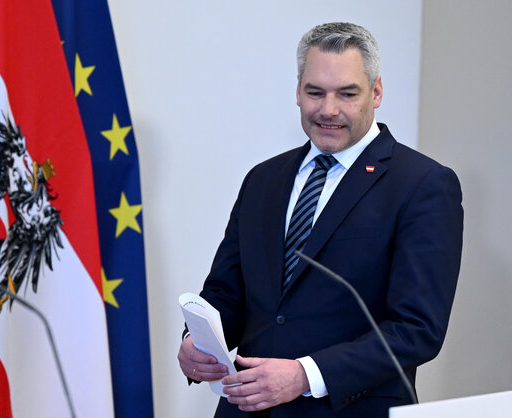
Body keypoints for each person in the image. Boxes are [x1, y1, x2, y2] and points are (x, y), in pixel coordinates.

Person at [177, 22, 463, 417]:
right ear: (297, 91)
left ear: (376, 92)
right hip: (246, 409)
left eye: (347, 93)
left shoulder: (423, 184)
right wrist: (198, 342)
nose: (328, 109)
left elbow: (417, 329)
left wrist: (303, 375)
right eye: (315, 92)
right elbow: (227, 293)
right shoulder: (263, 179)